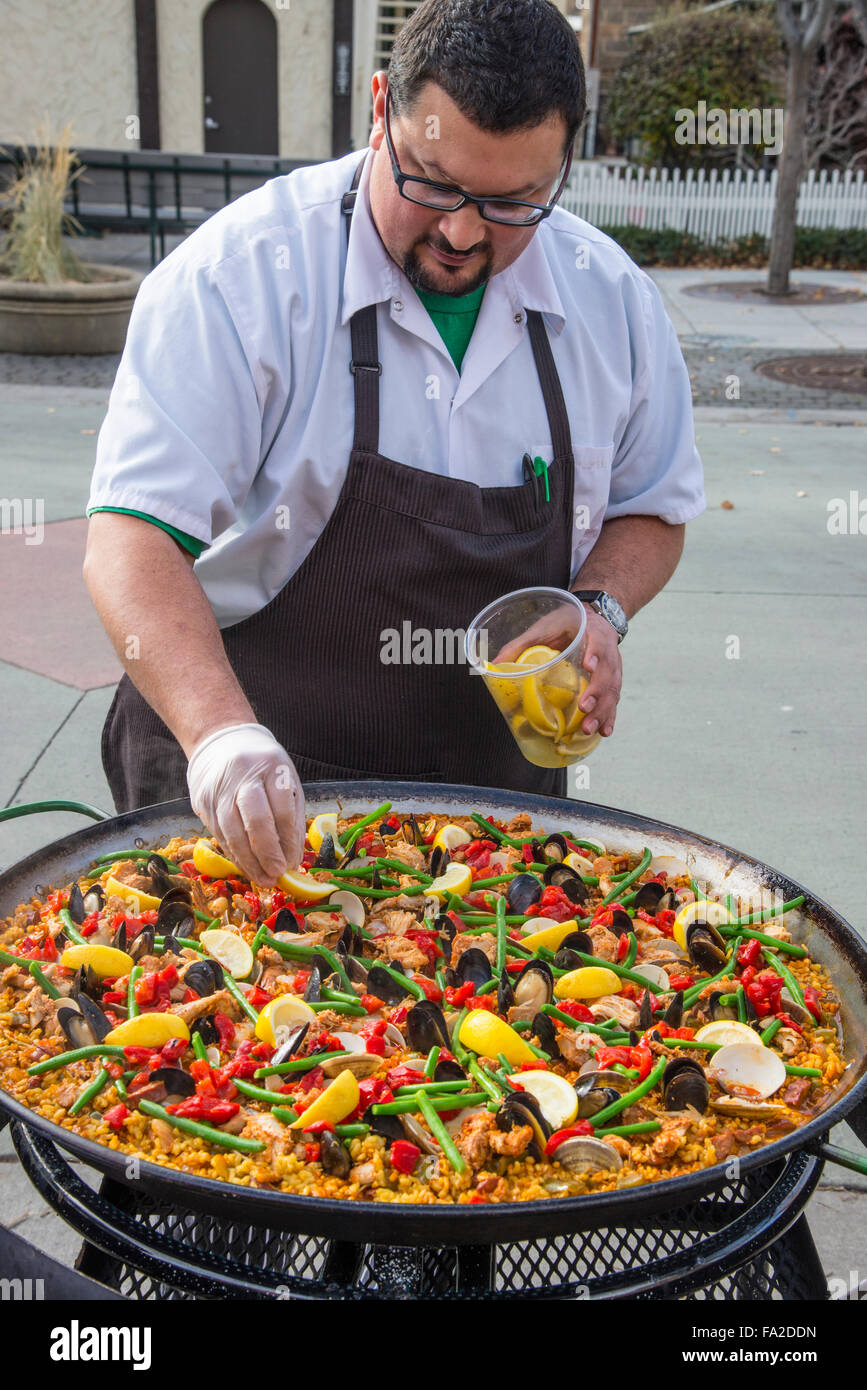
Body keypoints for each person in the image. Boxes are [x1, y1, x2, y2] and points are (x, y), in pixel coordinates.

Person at [83, 0, 705, 887]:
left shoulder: (614, 303)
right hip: (254, 790)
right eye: (430, 180)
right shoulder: (241, 277)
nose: (460, 234)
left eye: (512, 202)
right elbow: (130, 542)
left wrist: (597, 609)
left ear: (563, 166)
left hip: (492, 811)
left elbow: (654, 505)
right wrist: (220, 734)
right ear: (380, 108)